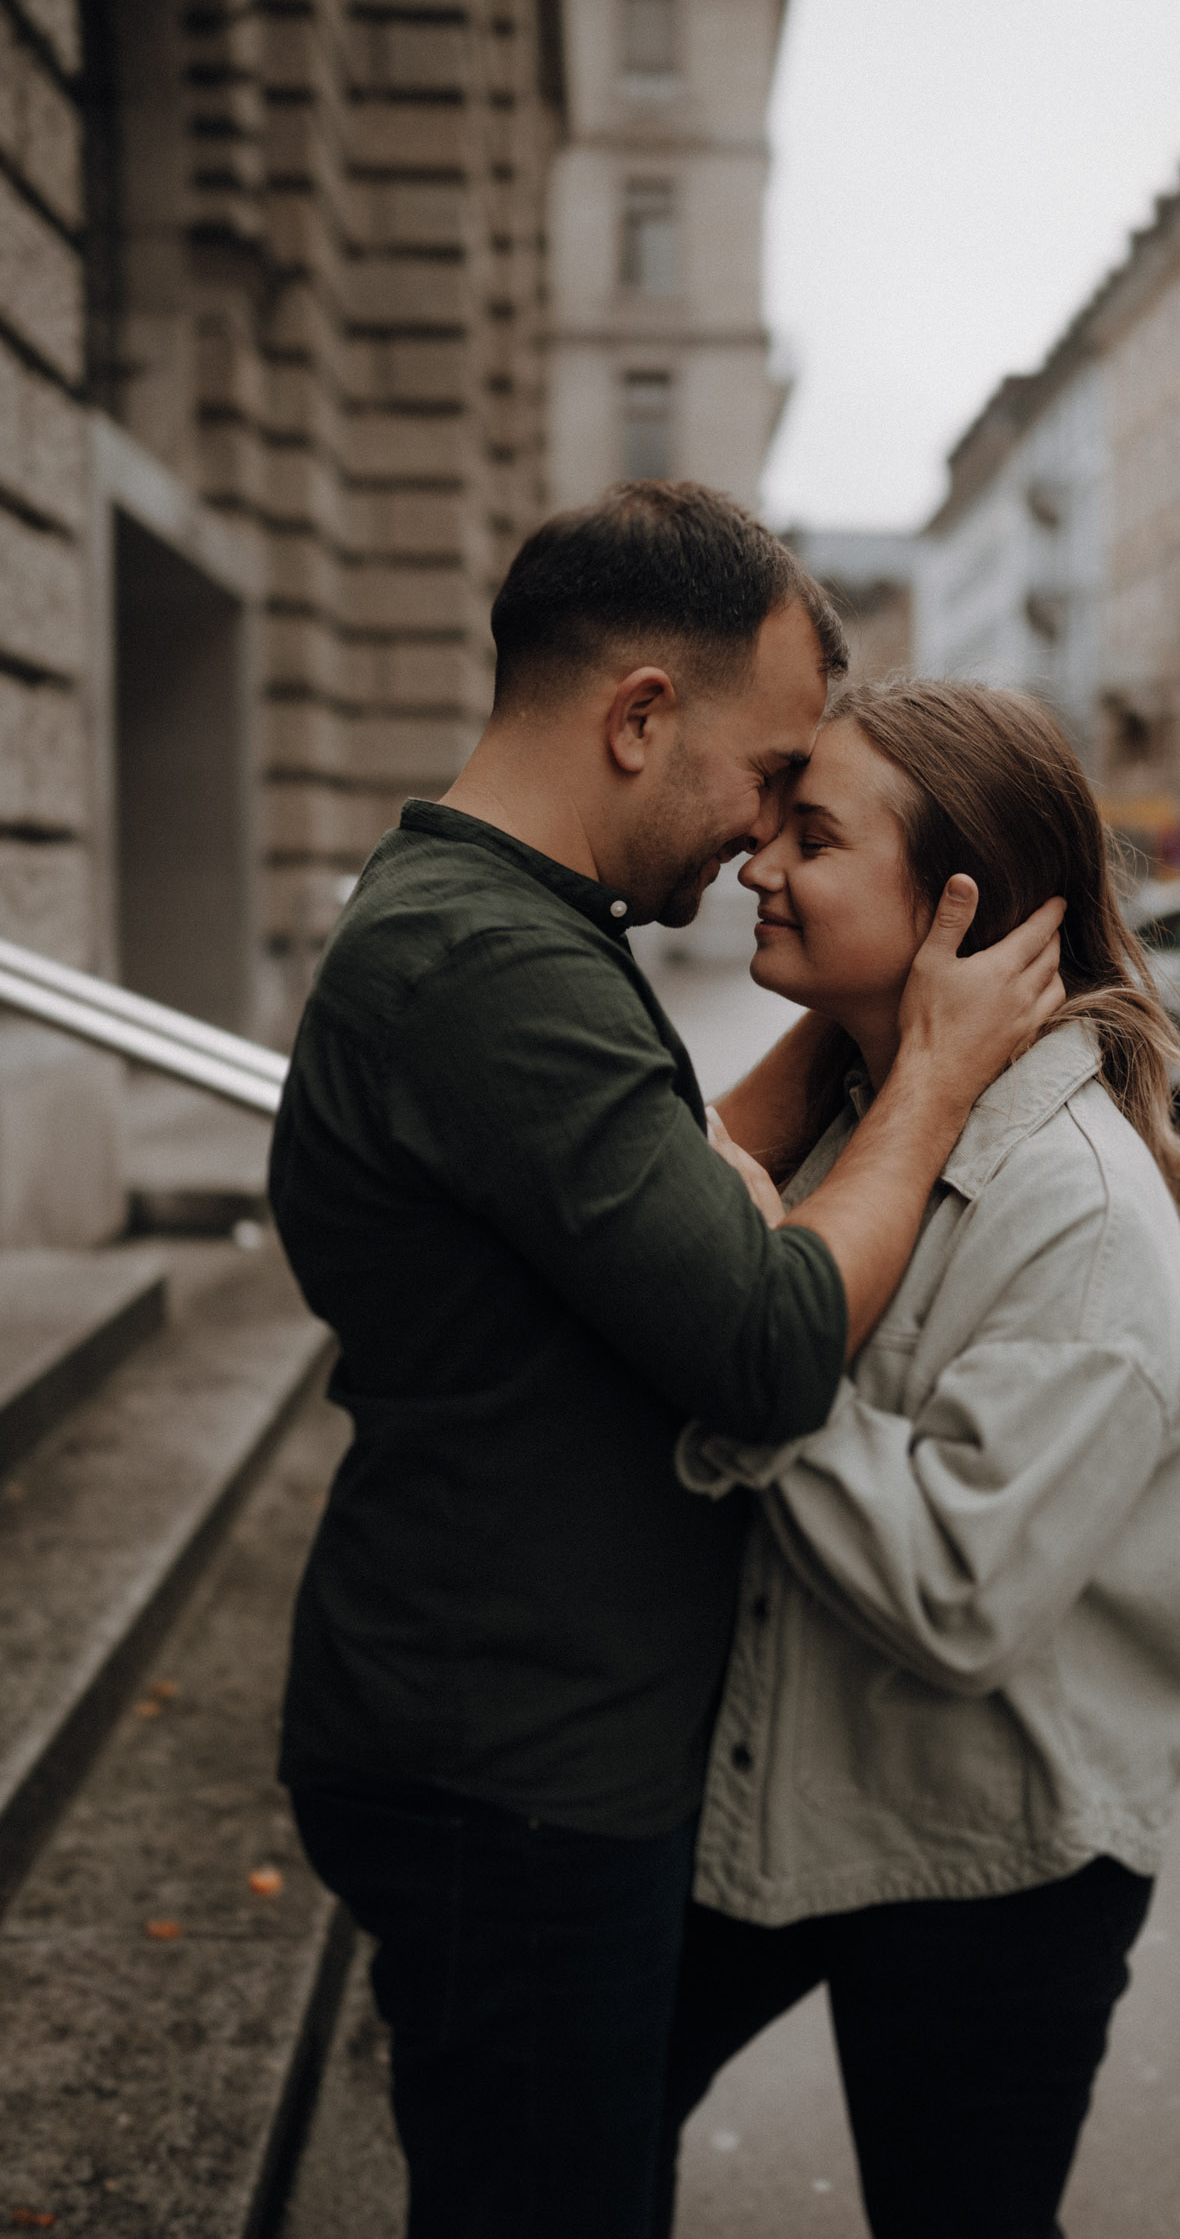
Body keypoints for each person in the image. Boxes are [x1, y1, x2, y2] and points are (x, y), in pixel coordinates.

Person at [269, 488, 1066, 2239]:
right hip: (514, 1769)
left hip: (518, 1735)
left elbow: (646, 1188)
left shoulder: (510, 922)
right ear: (639, 715)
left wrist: (860, 1027)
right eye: (773, 770)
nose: (769, 830)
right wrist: (925, 1078)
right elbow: (768, 1342)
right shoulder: (488, 961)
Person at [655, 681, 1180, 2239]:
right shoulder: (871, 1110)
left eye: (816, 833)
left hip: (997, 1864)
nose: (759, 859)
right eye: (774, 817)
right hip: (787, 1788)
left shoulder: (1088, 1225)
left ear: (958, 913)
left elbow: (963, 1587)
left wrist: (746, 1333)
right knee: (564, 2115)